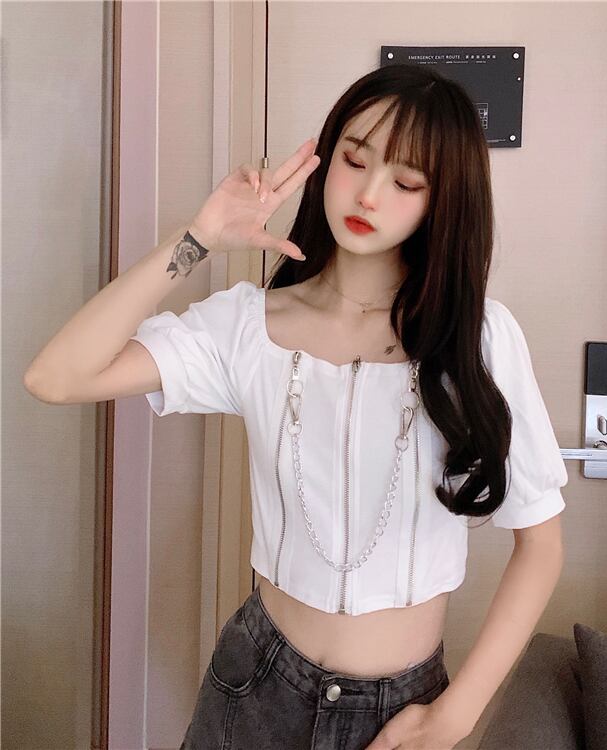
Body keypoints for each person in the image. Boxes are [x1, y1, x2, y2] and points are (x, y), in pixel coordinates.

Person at [24, 64, 568, 750]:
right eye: (354, 160)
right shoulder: (247, 325)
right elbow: (56, 376)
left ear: (443, 201)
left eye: (406, 182)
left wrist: (454, 715)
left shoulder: (478, 339)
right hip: (256, 687)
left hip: (401, 711)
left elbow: (541, 544)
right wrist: (198, 239)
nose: (369, 193)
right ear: (326, 160)